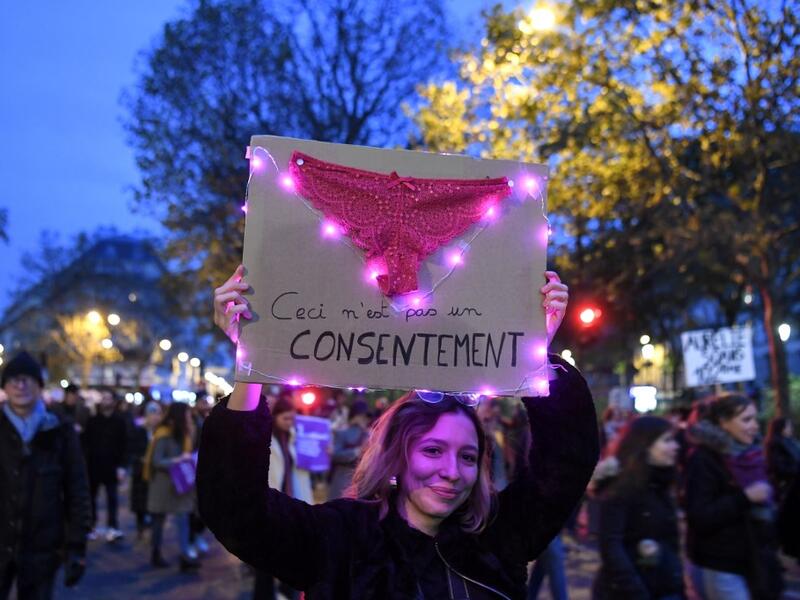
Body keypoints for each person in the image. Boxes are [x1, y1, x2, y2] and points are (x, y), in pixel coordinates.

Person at [197, 266, 598, 598]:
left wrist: (530, 353)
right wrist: (251, 365)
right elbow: (238, 511)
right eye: (434, 451)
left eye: (468, 457)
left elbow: (565, 460)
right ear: (398, 455)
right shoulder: (341, 539)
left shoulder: (498, 538)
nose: (452, 471)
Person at [0, 351, 90, 599]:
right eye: (14, 379)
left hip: (42, 549)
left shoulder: (60, 429)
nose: (20, 385)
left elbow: (77, 488)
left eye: (28, 379)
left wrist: (76, 546)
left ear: (39, 386)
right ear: (4, 386)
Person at [683, 394, 783, 600]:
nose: (755, 426)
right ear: (723, 422)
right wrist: (745, 498)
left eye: (755, 419)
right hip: (721, 564)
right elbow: (700, 516)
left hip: (754, 561)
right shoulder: (704, 459)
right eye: (746, 420)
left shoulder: (752, 455)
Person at [592, 416, 684, 600]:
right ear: (645, 445)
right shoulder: (620, 489)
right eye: (667, 440)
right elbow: (611, 547)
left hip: (664, 588)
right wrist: (637, 593)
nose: (676, 446)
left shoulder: (661, 484)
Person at [143, 401, 199, 571]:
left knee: (183, 519)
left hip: (180, 484)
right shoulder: (163, 434)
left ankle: (185, 555)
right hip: (163, 484)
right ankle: (156, 553)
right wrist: (178, 460)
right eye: (187, 414)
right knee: (158, 521)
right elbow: (156, 461)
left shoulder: (186, 433)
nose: (190, 417)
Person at [84, 389, 128, 542]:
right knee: (91, 497)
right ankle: (91, 525)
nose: (105, 401)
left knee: (112, 498)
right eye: (104, 398)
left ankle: (113, 526)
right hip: (94, 465)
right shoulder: (93, 421)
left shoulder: (120, 422)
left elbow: (124, 445)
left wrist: (122, 466)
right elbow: (86, 443)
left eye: (108, 398)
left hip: (112, 466)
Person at [765, 416, 800, 563]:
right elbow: (778, 467)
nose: (790, 429)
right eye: (787, 426)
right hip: (787, 488)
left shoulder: (791, 442)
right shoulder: (776, 444)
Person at [128, 401, 163, 539]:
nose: (155, 417)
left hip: (155, 473)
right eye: (152, 413)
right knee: (140, 502)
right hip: (140, 472)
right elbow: (132, 449)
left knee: (152, 502)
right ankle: (140, 526)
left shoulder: (160, 433)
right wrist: (140, 459)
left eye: (158, 414)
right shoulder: (139, 430)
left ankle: (150, 526)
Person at [328, 399, 371, 500]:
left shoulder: (369, 434)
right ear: (355, 416)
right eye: (362, 416)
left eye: (366, 417)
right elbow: (335, 455)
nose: (365, 419)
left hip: (361, 481)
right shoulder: (342, 432)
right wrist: (356, 451)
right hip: (342, 477)